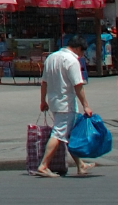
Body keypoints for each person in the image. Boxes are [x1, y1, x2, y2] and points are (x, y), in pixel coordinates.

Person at [37, 34, 94, 178]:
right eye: (82, 52)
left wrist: (43, 100)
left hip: (54, 101)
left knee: (69, 134)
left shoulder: (51, 58)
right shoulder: (72, 61)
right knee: (58, 133)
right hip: (66, 104)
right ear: (78, 48)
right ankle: (43, 165)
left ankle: (80, 165)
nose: (82, 55)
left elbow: (44, 82)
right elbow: (78, 86)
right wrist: (86, 106)